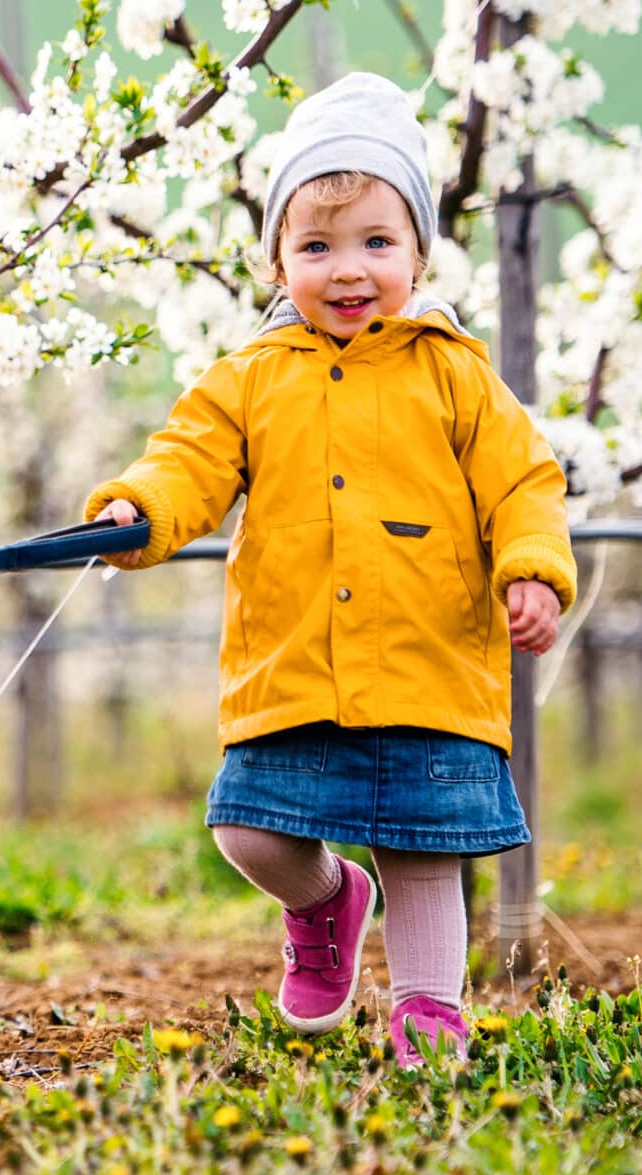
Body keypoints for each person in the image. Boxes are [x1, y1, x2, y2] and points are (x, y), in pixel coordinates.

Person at [86, 71, 576, 1066]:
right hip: (294, 662)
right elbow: (187, 458)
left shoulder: (454, 372)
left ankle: (429, 1014)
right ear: (276, 258)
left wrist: (530, 567)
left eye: (375, 244)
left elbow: (522, 479)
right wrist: (138, 511)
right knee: (249, 829)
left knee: (423, 852)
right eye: (316, 246)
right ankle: (328, 901)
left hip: (430, 662)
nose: (347, 270)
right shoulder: (251, 377)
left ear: (418, 252)